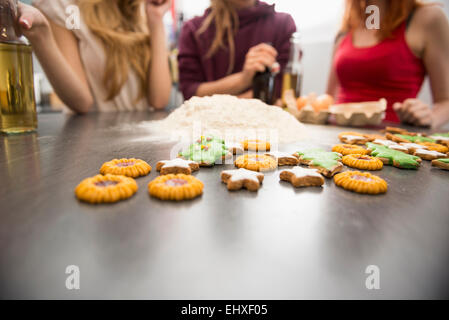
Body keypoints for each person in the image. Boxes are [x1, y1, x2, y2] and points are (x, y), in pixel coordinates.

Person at [17, 0, 172, 113]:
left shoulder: (143, 8)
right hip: (92, 143)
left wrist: (156, 20)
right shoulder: (66, 8)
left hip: (142, 143)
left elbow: (159, 101)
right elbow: (81, 103)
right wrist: (40, 36)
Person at [326, 0, 449, 128]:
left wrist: (430, 118)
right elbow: (328, 99)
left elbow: (446, 102)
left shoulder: (428, 18)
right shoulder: (347, 27)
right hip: (337, 137)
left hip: (392, 140)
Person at [178, 0, 296, 101]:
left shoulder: (283, 25)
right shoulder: (194, 30)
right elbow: (190, 92)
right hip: (206, 126)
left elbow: (285, 91)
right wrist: (243, 79)